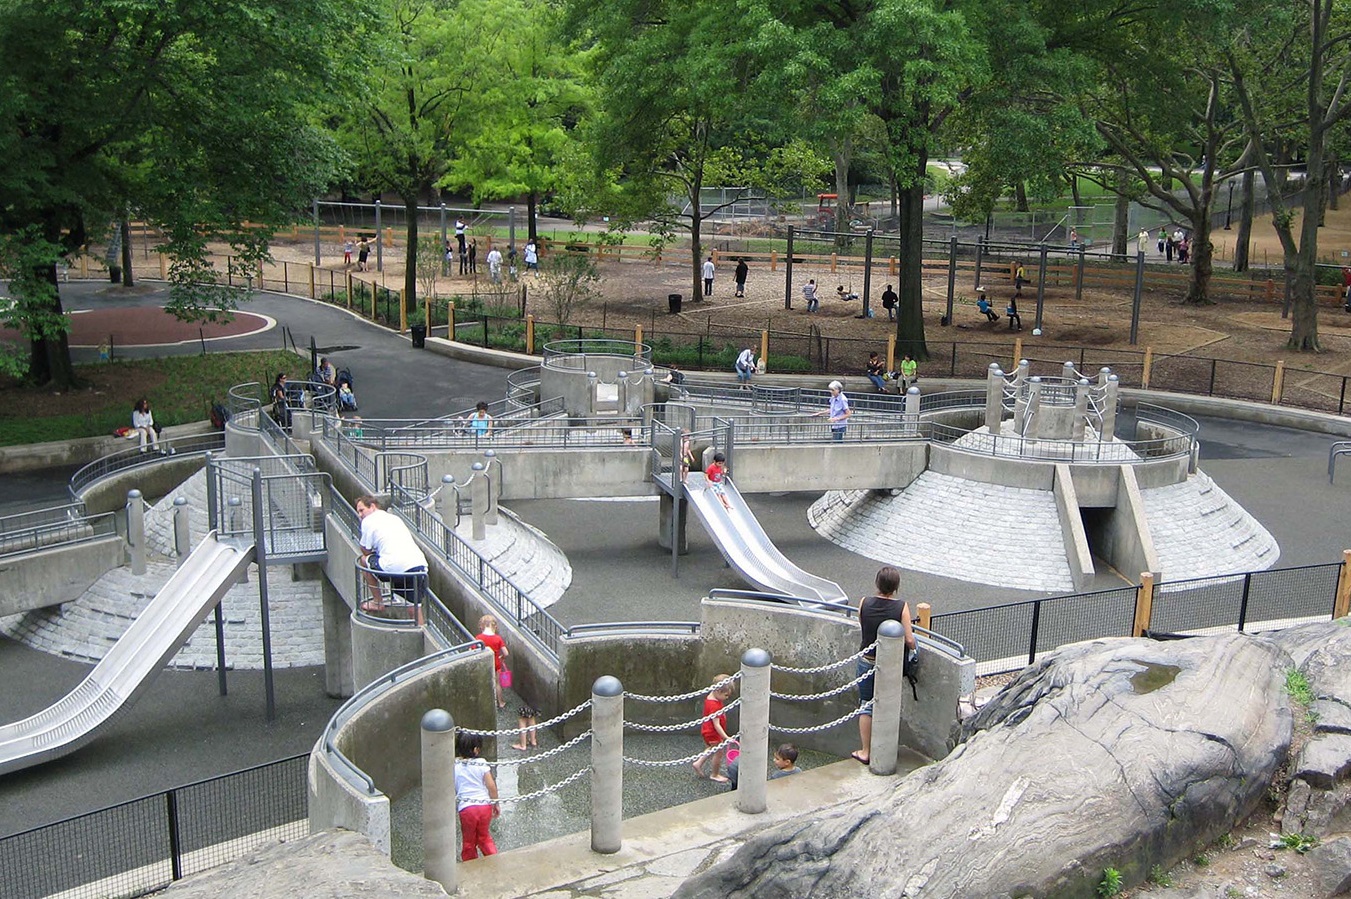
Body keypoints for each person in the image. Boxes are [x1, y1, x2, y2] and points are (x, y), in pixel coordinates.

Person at [851, 566, 916, 766]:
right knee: (887, 704)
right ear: (896, 586)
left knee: (866, 704)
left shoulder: (864, 602)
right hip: (889, 666)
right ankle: (886, 749)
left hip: (866, 660)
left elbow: (863, 625)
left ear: (877, 583)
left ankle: (865, 751)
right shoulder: (901, 607)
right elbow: (910, 639)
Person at [356, 495, 429, 614]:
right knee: (414, 607)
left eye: (361, 510)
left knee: (364, 560)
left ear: (373, 507)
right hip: (419, 566)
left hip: (393, 568)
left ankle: (377, 601)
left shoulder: (368, 521)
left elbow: (366, 551)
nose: (360, 515)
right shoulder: (394, 518)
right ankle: (420, 630)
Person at [454, 732, 499, 861]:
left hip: (467, 808)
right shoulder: (481, 762)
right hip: (484, 806)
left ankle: (470, 866)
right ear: (476, 749)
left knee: (469, 842)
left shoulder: (454, 765)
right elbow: (491, 786)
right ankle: (494, 861)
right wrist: (495, 804)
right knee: (484, 837)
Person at [692, 674, 735, 783]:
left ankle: (698, 763)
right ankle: (714, 774)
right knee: (719, 753)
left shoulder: (711, 696)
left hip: (707, 730)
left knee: (710, 749)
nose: (727, 698)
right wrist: (726, 737)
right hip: (712, 732)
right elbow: (717, 725)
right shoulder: (714, 705)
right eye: (726, 695)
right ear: (718, 691)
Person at [726, 742, 799, 789]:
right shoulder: (799, 771)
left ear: (787, 762)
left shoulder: (776, 776)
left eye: (777, 759)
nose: (774, 760)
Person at [476, 614, 511, 709]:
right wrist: (502, 657)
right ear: (495, 626)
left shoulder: (479, 638)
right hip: (496, 663)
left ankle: (484, 704)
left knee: (483, 683)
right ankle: (500, 702)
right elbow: (506, 653)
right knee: (497, 684)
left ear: (481, 626)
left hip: (484, 663)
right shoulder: (497, 638)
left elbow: (472, 651)